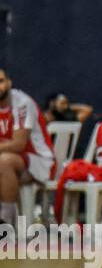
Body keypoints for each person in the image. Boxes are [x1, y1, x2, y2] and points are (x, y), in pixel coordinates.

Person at [0, 68, 56, 228]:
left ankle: (5, 223)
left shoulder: (21, 103)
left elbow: (19, 144)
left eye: (1, 81)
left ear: (9, 83)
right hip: (14, 163)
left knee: (4, 161)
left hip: (38, 160)